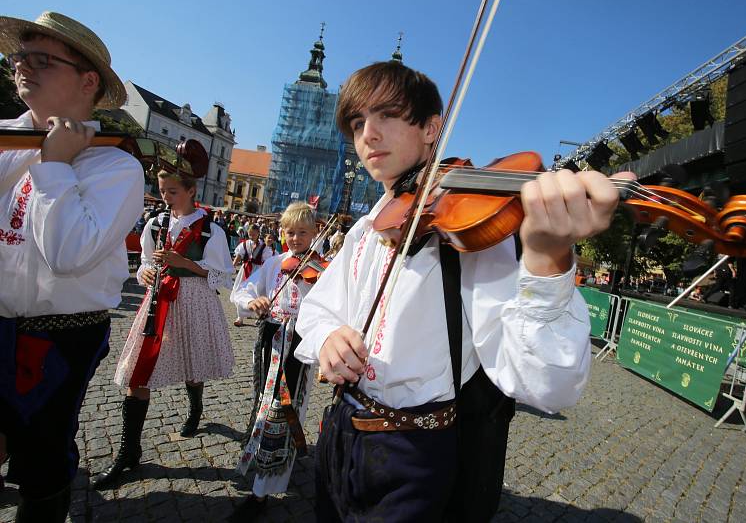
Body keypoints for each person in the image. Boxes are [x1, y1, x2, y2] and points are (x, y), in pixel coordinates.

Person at [292, 61, 629, 522]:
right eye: (357, 122)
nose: (368, 133)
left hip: (416, 453)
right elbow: (314, 311)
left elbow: (548, 386)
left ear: (432, 128)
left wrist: (548, 261)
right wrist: (328, 337)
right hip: (340, 435)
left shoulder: (466, 231)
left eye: (387, 115)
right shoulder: (367, 229)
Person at [0, 10, 144, 521]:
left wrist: (55, 164)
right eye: (19, 57)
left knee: (41, 456)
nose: (22, 67)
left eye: (42, 59)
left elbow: (68, 255)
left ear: (88, 82)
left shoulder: (115, 165)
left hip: (59, 333)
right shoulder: (4, 141)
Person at [90, 168, 235, 490]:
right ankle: (129, 449)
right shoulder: (156, 224)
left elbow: (222, 274)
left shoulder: (211, 230)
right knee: (137, 370)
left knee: (191, 364)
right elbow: (144, 261)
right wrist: (144, 272)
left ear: (191, 190)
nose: (166, 197)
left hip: (194, 301)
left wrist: (185, 264)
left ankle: (195, 405)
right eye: (162, 190)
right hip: (158, 300)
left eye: (172, 191)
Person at [229, 202, 321, 521]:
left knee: (285, 407)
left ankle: (267, 483)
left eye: (302, 233)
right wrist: (253, 300)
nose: (295, 238)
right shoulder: (274, 263)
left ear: (315, 233)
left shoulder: (322, 268)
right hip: (270, 341)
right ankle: (271, 465)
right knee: (265, 402)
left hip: (298, 346)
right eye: (290, 232)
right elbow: (242, 291)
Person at [231, 224, 267, 327]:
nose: (251, 236)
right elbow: (239, 256)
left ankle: (259, 315)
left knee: (256, 292)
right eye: (250, 234)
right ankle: (240, 317)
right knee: (241, 290)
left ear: (258, 234)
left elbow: (266, 260)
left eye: (254, 234)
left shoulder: (263, 246)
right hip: (245, 269)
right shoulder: (245, 244)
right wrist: (233, 266)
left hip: (257, 271)